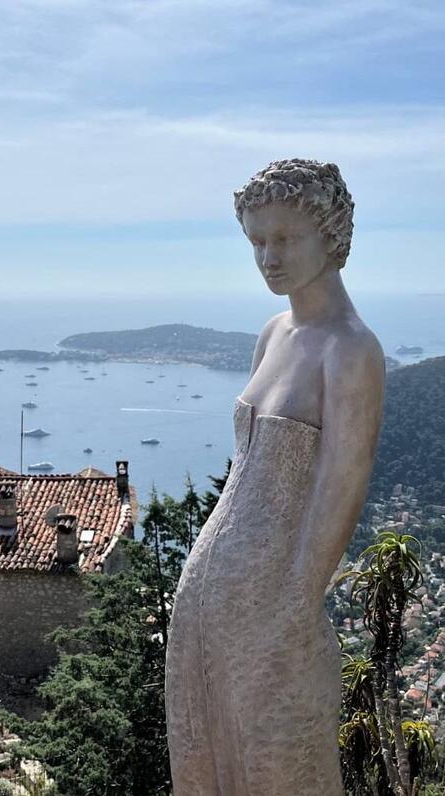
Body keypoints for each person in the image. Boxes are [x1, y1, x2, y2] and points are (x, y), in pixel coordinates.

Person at [165, 159, 384, 795]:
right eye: (257, 241)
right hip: (208, 596)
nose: (268, 257)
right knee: (206, 758)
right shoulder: (272, 335)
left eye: (284, 238)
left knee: (279, 764)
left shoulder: (352, 350)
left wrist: (292, 606)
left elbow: (341, 489)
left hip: (273, 604)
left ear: (331, 235)